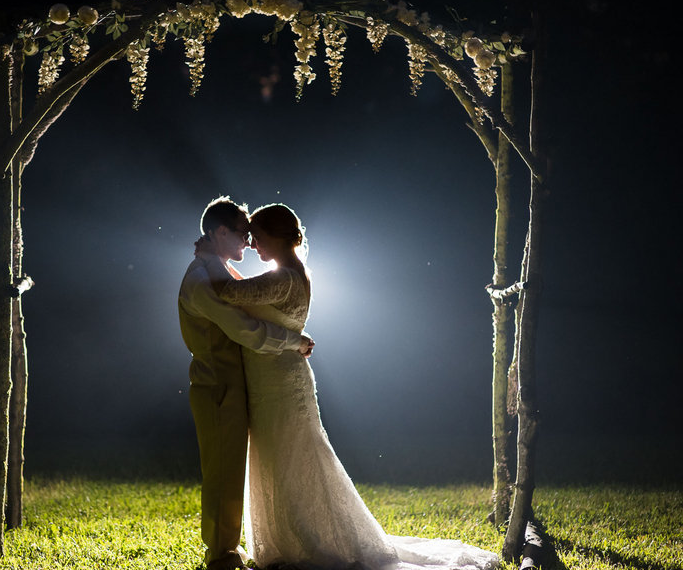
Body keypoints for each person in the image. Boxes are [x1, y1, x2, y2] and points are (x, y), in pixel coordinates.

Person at [197, 203, 499, 570]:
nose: (253, 247)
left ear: (275, 237)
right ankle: (291, 537)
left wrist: (210, 257)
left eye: (257, 239)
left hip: (278, 383)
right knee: (283, 458)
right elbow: (243, 291)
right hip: (274, 379)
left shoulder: (283, 279)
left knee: (292, 457)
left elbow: (229, 293)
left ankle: (307, 540)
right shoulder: (289, 274)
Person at [178, 196, 315, 570]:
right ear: (220, 233)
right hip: (217, 384)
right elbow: (245, 330)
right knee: (223, 470)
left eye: (252, 234)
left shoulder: (216, 268)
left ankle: (226, 548)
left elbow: (244, 295)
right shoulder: (202, 278)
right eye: (242, 233)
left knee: (232, 467)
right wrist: (294, 341)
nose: (248, 242)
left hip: (234, 384)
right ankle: (220, 554)